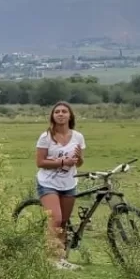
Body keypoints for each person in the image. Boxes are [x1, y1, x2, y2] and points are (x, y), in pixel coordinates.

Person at [34, 101, 85, 269]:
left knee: (63, 222)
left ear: (70, 116)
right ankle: (51, 259)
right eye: (57, 112)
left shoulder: (78, 137)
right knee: (55, 219)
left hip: (69, 183)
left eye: (64, 111)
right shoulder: (46, 137)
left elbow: (79, 163)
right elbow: (40, 162)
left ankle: (61, 258)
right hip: (48, 182)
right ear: (53, 116)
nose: (61, 114)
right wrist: (63, 161)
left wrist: (78, 159)